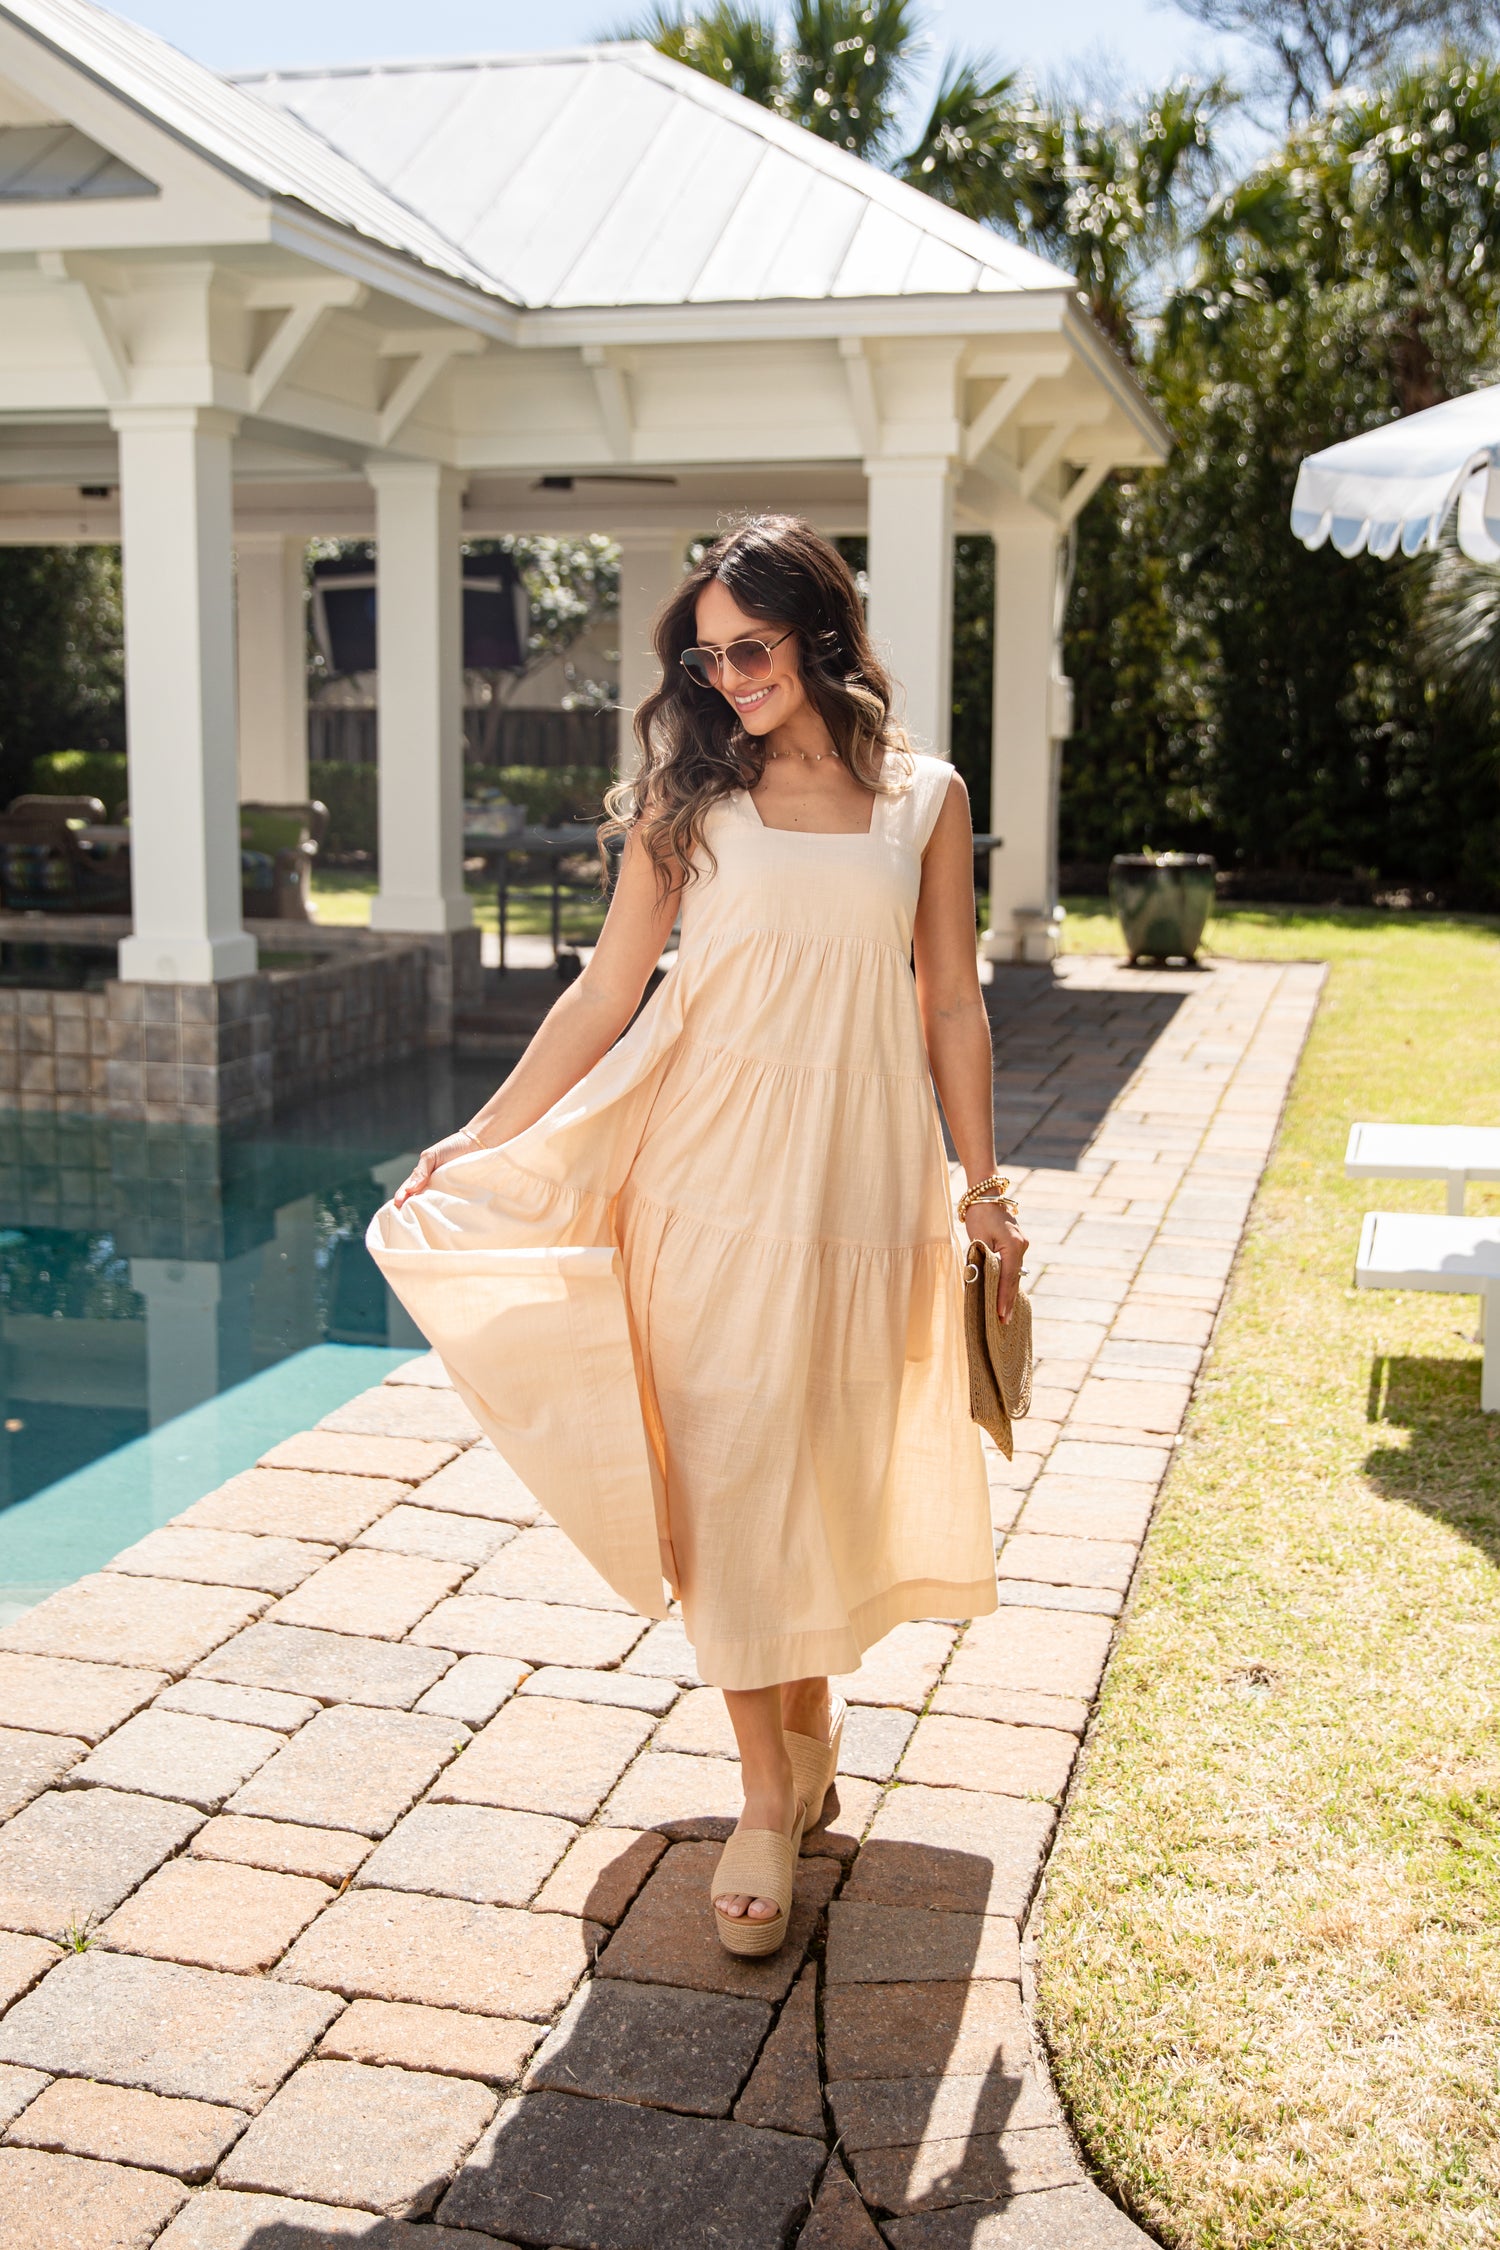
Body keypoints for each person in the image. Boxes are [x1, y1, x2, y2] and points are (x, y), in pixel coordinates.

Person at [369, 515, 1027, 1956]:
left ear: (823, 638)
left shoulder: (923, 798)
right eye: (707, 654)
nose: (727, 676)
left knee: (814, 1453)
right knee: (727, 1463)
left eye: (754, 647)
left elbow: (949, 1004)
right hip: (703, 1181)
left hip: (858, 1182)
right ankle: (757, 1788)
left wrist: (982, 1186)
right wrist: (483, 1132)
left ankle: (800, 1737)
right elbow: (604, 994)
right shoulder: (688, 800)